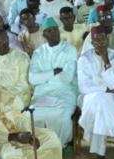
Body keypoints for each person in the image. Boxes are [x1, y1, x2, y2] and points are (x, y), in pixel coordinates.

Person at [77, 27, 114, 159]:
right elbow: (83, 86)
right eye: (96, 40)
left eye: (103, 39)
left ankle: (101, 158)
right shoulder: (84, 59)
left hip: (111, 98)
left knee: (101, 104)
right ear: (92, 42)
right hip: (90, 97)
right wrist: (105, 89)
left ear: (108, 39)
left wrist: (106, 60)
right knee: (100, 100)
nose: (100, 42)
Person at [28, 17, 79, 145]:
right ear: (44, 34)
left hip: (65, 92)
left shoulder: (69, 49)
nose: (53, 33)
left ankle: (59, 146)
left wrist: (43, 77)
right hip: (43, 93)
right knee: (31, 117)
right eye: (49, 31)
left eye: (55, 30)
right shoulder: (38, 53)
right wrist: (53, 72)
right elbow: (32, 78)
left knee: (61, 118)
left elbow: (68, 77)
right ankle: (40, 146)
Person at [0, 27, 32, 109]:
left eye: (4, 39)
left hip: (17, 98)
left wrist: (3, 95)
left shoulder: (21, 56)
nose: (2, 43)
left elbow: (23, 84)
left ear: (8, 39)